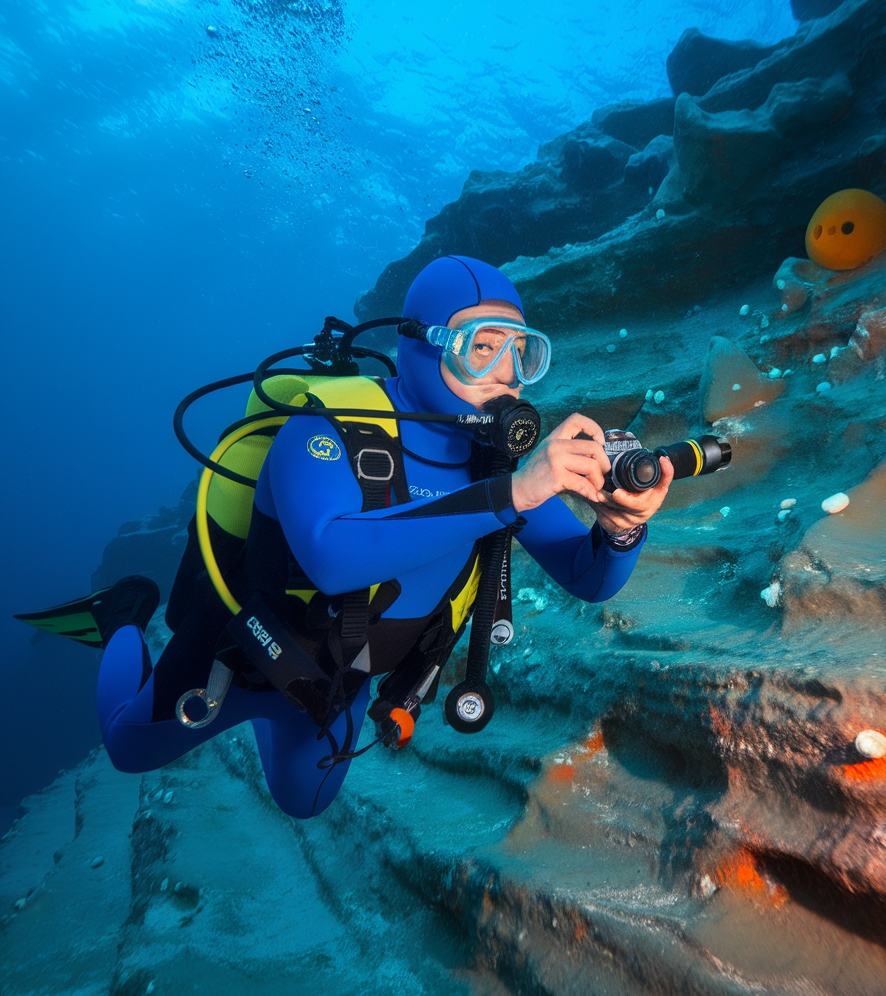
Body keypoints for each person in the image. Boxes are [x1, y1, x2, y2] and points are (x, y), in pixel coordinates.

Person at [21, 256, 672, 818]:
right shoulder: (323, 428)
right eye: (482, 346)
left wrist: (620, 529)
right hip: (239, 654)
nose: (506, 373)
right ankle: (123, 618)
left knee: (305, 801)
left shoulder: (497, 465)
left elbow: (588, 579)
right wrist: (513, 495)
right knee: (127, 749)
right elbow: (332, 558)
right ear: (423, 344)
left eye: (522, 351)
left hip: (336, 682)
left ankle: (279, 724)